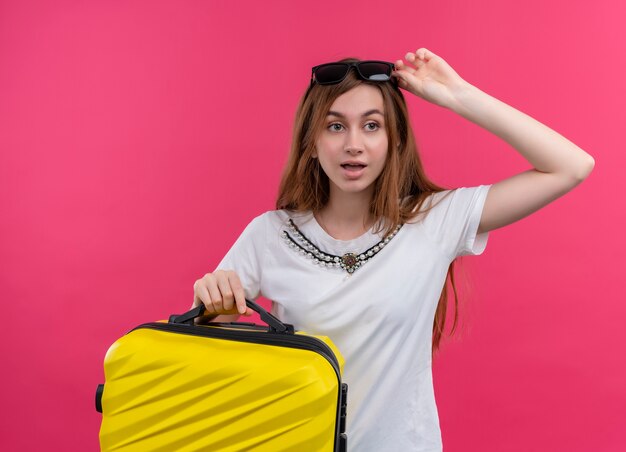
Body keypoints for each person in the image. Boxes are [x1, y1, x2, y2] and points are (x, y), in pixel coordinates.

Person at [191, 48, 594, 451]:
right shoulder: (269, 235)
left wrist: (457, 94)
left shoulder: (433, 220)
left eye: (371, 126)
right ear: (311, 143)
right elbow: (208, 370)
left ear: (394, 140)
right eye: (335, 127)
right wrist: (214, 312)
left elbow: (571, 166)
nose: (354, 144)